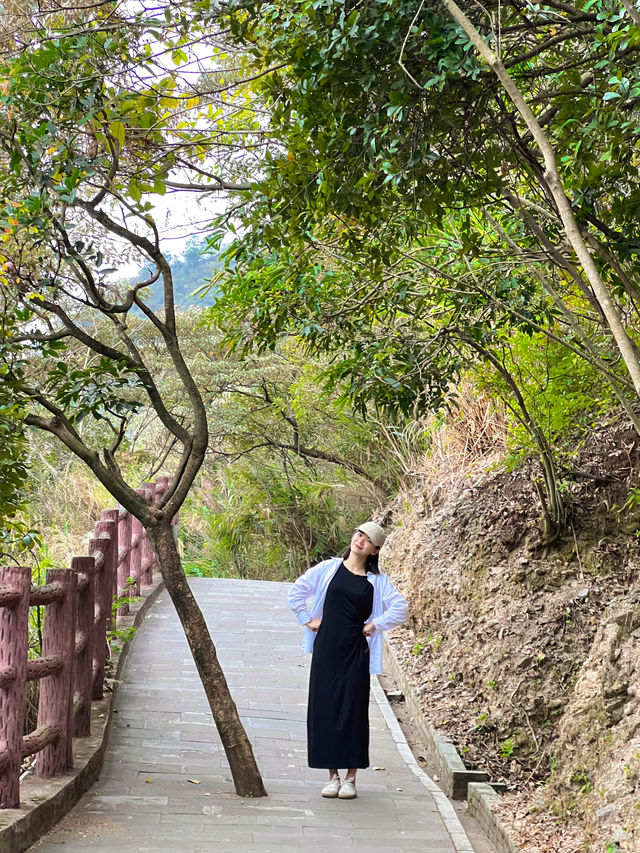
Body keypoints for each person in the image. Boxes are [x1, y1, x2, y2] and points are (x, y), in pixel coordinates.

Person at [287, 521, 408, 800]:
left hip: (356, 652)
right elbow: (296, 591)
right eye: (359, 534)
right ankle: (332, 776)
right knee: (325, 709)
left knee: (353, 712)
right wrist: (307, 620)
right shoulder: (328, 569)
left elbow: (401, 609)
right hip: (326, 650)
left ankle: (351, 778)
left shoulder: (377, 581)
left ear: (375, 550)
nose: (360, 540)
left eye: (368, 539)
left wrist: (374, 624)